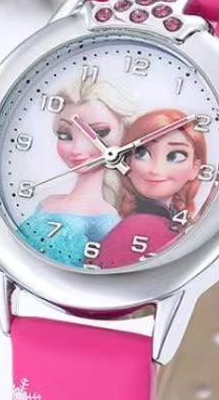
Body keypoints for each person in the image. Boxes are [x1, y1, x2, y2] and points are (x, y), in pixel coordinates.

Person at [17, 76, 136, 267]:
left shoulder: (105, 219)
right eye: (65, 135)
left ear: (124, 135)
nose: (77, 149)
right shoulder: (47, 202)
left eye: (100, 133)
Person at [90, 109, 207, 270]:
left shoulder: (173, 219)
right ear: (127, 161)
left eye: (174, 156)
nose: (155, 169)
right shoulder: (140, 226)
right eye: (142, 153)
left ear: (195, 167)